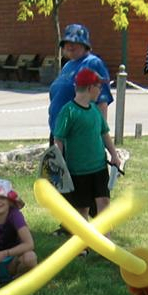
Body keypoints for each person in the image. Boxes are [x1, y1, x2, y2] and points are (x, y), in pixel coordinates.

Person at [52, 68, 124, 235]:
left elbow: (104, 133)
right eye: (100, 87)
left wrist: (113, 154)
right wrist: (59, 164)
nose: (101, 91)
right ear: (91, 87)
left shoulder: (95, 110)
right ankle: (82, 246)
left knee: (104, 203)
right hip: (78, 170)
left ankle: (107, 243)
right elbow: (59, 139)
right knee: (81, 209)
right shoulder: (68, 111)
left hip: (99, 168)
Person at [47, 24, 114, 138]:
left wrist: (98, 136)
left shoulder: (93, 63)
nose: (70, 46)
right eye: (67, 43)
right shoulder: (67, 66)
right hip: (58, 133)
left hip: (78, 136)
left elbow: (102, 101)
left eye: (75, 43)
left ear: (85, 45)